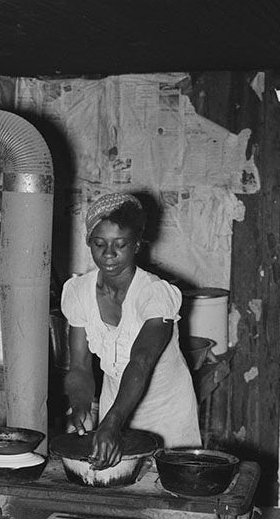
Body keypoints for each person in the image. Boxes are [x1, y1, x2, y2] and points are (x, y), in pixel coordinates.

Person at [61, 192, 201, 468]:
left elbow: (141, 360)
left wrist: (112, 423)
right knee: (117, 487)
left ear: (137, 245)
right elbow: (78, 366)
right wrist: (81, 405)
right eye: (99, 244)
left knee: (168, 488)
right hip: (116, 405)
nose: (109, 254)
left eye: (120, 244)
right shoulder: (78, 292)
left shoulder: (154, 294)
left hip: (166, 413)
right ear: (89, 243)